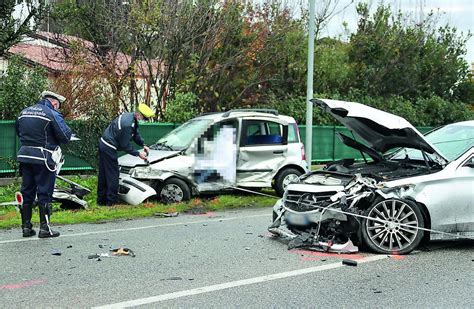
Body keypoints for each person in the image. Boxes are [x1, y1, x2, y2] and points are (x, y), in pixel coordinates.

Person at [16, 91, 73, 238]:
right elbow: (65, 135)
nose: (57, 108)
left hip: (24, 155)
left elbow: (18, 131)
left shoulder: (23, 112)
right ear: (54, 103)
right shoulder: (51, 113)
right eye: (57, 106)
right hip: (43, 157)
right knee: (44, 191)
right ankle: (45, 228)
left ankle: (26, 227)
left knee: (27, 190)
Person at [97, 103, 155, 206]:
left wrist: (143, 144)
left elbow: (135, 134)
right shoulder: (127, 124)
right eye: (145, 118)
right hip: (109, 146)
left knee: (104, 174)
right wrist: (138, 154)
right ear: (139, 114)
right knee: (113, 176)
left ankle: (101, 202)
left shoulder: (131, 117)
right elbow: (124, 145)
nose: (144, 120)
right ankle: (111, 203)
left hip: (104, 143)